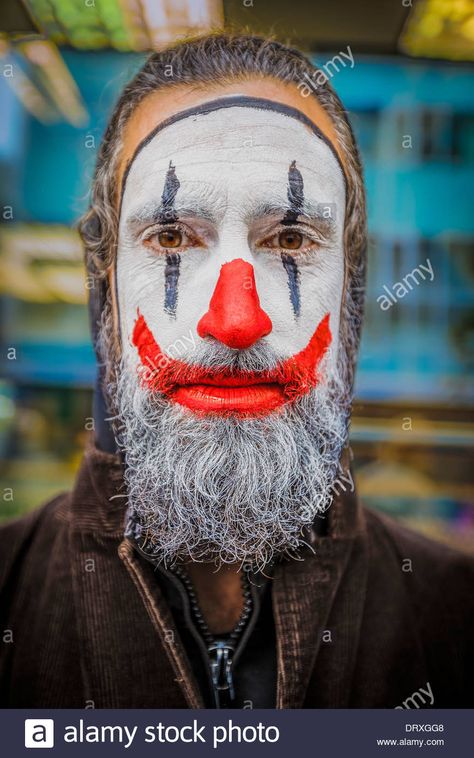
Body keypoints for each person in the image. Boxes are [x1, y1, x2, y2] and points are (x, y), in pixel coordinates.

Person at [0, 32, 473, 709]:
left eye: (290, 238)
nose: (235, 318)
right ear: (103, 290)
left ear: (351, 291)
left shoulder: (456, 621)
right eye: (170, 237)